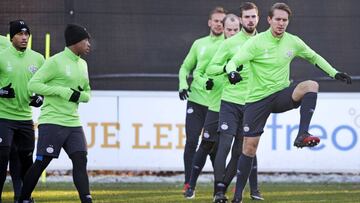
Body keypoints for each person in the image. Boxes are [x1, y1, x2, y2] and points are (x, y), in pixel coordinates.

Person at [224, 3, 352, 202]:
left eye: (285, 20)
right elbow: (234, 61)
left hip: (281, 95)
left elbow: (314, 57)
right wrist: (232, 72)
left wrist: (334, 72)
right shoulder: (257, 42)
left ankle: (302, 134)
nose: (281, 23)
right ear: (269, 20)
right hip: (257, 100)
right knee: (249, 148)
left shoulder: (293, 42)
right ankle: (238, 195)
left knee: (311, 85)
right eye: (278, 19)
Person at [19, 24, 93, 203]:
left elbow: (87, 94)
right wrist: (62, 91)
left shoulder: (83, 64)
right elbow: (33, 85)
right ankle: (23, 199)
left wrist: (78, 95)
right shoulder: (54, 61)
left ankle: (87, 199)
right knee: (42, 163)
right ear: (76, 42)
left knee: (80, 160)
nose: (89, 44)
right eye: (86, 40)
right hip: (52, 121)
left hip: (73, 122)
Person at [204, 2, 264, 202]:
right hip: (230, 102)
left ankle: (222, 189)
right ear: (241, 19)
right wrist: (228, 71)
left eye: (253, 16)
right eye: (246, 17)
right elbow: (211, 69)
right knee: (224, 145)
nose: (250, 20)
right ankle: (218, 193)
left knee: (240, 151)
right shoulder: (229, 43)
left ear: (258, 18)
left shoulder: (265, 42)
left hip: (252, 104)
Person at [184, 13, 241, 199]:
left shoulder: (246, 47)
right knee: (206, 144)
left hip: (236, 104)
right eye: (229, 30)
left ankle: (230, 189)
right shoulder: (215, 48)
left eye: (235, 30)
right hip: (216, 104)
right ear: (222, 30)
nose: (232, 33)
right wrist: (207, 81)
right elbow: (202, 71)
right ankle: (190, 186)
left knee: (240, 148)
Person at [178, 6, 226, 193]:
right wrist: (183, 84)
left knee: (213, 146)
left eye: (223, 21)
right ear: (209, 22)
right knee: (191, 141)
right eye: (216, 21)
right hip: (197, 100)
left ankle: (219, 186)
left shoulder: (229, 44)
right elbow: (185, 67)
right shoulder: (199, 43)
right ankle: (188, 184)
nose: (219, 24)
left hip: (217, 102)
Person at [0, 20, 45, 203]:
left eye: (27, 34)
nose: (24, 37)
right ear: (11, 37)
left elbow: (45, 83)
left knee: (26, 161)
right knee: (2, 157)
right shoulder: (2, 56)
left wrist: (40, 96)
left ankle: (23, 198)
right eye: (19, 34)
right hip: (3, 117)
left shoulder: (38, 58)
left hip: (25, 118)